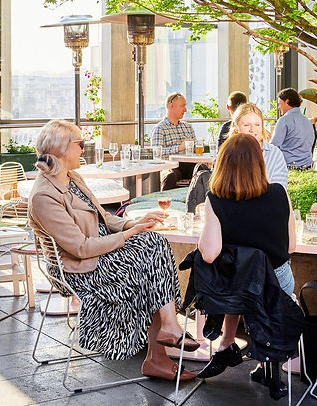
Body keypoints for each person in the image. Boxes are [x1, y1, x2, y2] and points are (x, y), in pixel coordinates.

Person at [27, 119, 198, 381]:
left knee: (153, 246)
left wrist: (135, 223)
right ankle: (161, 347)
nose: (84, 149)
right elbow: (80, 248)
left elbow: (103, 220)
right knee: (150, 261)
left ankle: (166, 336)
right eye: (80, 144)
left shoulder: (72, 177)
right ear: (62, 149)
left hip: (100, 253)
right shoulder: (44, 196)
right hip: (78, 269)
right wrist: (130, 234)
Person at [196, 134, 297, 395]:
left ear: (223, 164)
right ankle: (263, 359)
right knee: (252, 278)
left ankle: (226, 344)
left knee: (240, 276)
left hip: (239, 288)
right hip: (279, 283)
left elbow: (209, 253)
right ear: (260, 163)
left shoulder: (215, 200)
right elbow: (290, 247)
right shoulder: (279, 193)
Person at [231, 103, 289, 188]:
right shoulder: (228, 152)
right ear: (235, 127)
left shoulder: (274, 154)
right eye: (246, 125)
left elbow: (280, 190)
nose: (252, 129)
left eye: (257, 125)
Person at [152, 92, 197, 190]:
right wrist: (179, 148)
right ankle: (166, 203)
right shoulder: (160, 128)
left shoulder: (188, 127)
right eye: (182, 106)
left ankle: (203, 204)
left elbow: (195, 151)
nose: (185, 110)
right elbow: (156, 153)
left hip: (189, 165)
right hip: (170, 166)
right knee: (170, 176)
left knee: (204, 171)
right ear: (171, 105)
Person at [269, 88, 315, 169]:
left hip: (289, 166)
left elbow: (274, 145)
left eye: (279, 104)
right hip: (308, 166)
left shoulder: (284, 120)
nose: (279, 107)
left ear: (287, 101)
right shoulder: (307, 121)